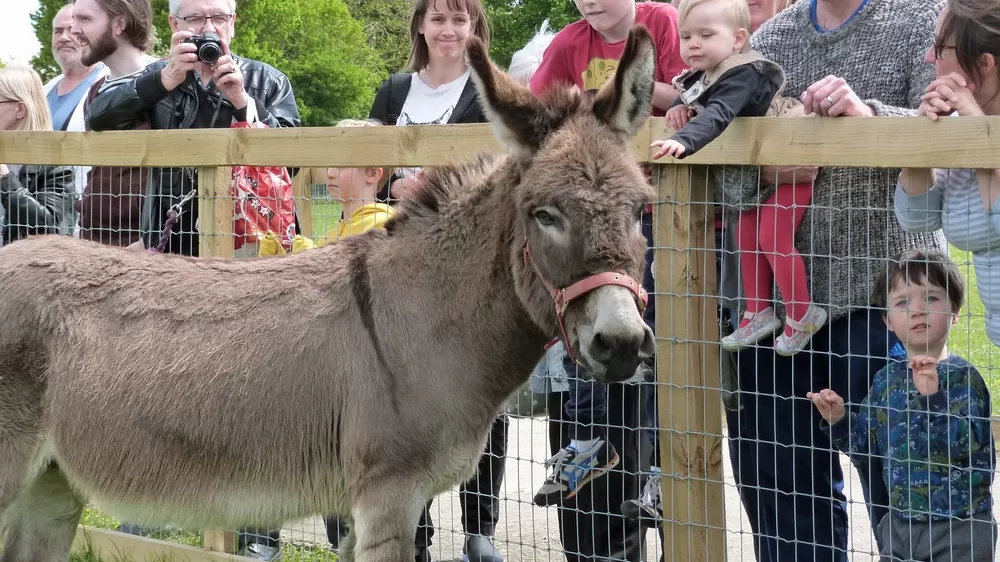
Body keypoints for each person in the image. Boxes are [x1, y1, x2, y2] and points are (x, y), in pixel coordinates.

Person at [718, 0, 947, 559]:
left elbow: (950, 157)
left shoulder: (926, 22)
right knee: (782, 498)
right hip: (776, 318)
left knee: (906, 487)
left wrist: (867, 121)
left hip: (886, 305)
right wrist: (767, 167)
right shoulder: (767, 40)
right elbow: (720, 170)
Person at [527, 0, 685, 509]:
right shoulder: (570, 43)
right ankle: (589, 436)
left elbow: (690, 91)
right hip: (590, 215)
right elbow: (539, 111)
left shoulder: (660, 23)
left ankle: (665, 464)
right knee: (581, 307)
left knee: (663, 337)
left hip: (661, 208)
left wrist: (610, 96)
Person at [363, 4, 506, 561]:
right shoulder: (393, 91)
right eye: (439, 18)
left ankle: (480, 528)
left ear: (475, 29)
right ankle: (411, 536)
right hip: (400, 270)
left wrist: (428, 183)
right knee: (402, 401)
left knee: (482, 392)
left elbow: (497, 174)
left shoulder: (488, 90)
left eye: (460, 19)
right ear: (421, 25)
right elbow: (372, 179)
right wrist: (397, 187)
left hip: (469, 269)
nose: (449, 30)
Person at [651, 0, 825, 355]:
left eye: (705, 35)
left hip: (790, 161)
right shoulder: (703, 76)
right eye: (685, 37)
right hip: (754, 172)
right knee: (745, 235)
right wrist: (680, 110)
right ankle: (758, 310)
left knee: (772, 236)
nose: (693, 44)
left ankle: (802, 312)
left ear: (737, 39)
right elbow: (692, 103)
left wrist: (681, 140)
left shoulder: (743, 73)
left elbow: (720, 113)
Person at [808, 249, 996, 562]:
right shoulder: (885, 381)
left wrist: (932, 398)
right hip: (900, 526)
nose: (918, 311)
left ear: (955, 310)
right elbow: (865, 449)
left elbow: (969, 449)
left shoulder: (963, 378)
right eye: (903, 303)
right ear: (888, 320)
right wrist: (839, 419)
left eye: (932, 299)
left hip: (961, 527)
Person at [85, 0, 300, 258]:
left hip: (250, 244)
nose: (209, 29)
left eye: (219, 18)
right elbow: (98, 117)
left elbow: (291, 164)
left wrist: (242, 101)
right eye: (196, 18)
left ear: (232, 23)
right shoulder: (161, 76)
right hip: (172, 241)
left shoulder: (267, 80)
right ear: (175, 25)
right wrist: (163, 81)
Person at [895, 0, 1000, 347]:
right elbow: (916, 218)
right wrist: (922, 138)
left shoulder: (970, 126)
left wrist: (978, 133)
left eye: (940, 48)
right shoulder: (959, 124)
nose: (929, 57)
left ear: (984, 65)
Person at [71, 0, 158, 247]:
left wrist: (149, 239)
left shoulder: (166, 83)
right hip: (94, 243)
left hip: (146, 254)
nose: (74, 29)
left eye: (85, 19)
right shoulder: (96, 90)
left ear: (119, 23)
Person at [0, 66, 77, 246]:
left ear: (20, 109)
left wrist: (5, 179)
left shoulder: (55, 163)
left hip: (21, 268)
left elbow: (51, 229)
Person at [44, 3, 108, 203]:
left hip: (87, 202)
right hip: (42, 204)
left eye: (71, 30)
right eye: (58, 31)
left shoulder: (108, 82)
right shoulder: (44, 90)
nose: (64, 37)